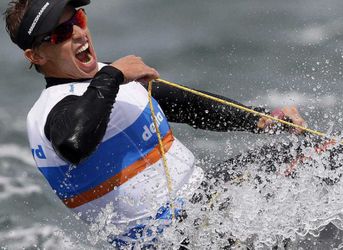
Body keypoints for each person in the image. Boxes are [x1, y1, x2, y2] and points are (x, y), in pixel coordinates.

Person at [3, 0, 306, 248]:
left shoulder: (105, 81)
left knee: (319, 154)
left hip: (209, 203)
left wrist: (261, 119)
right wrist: (112, 76)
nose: (79, 34)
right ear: (35, 55)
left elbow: (190, 106)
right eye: (60, 34)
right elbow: (74, 141)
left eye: (78, 19)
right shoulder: (51, 111)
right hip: (178, 238)